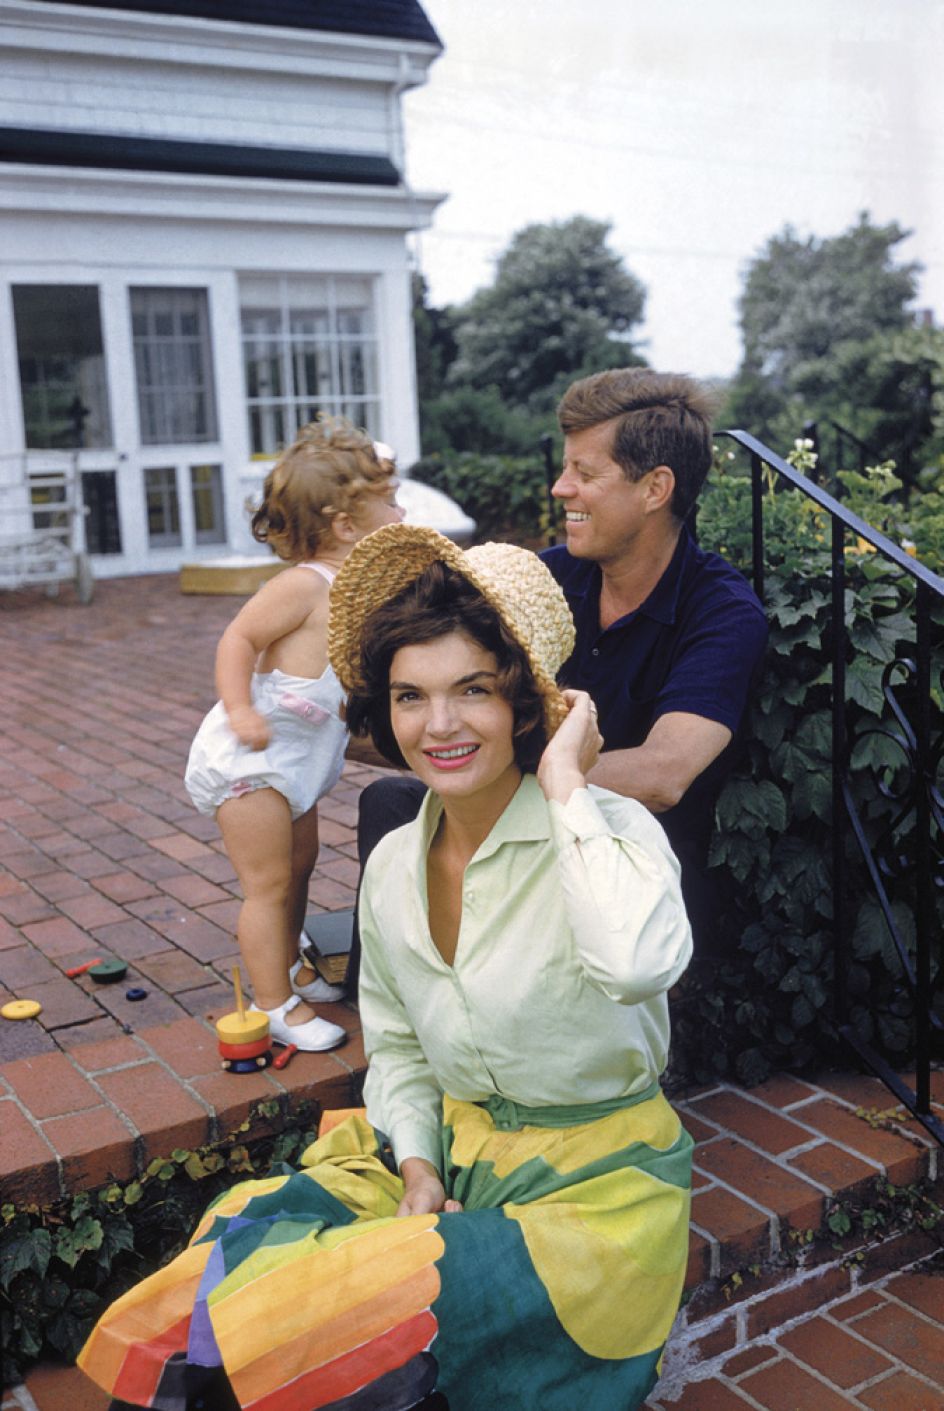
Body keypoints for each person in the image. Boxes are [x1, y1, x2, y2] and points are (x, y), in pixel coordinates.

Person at [79, 525, 694, 1411]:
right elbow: (400, 1047)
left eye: (472, 690)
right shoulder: (395, 866)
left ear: (525, 704)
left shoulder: (609, 834)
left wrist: (567, 786)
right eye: (411, 696)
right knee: (230, 1252)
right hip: (445, 1157)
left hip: (595, 1192)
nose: (437, 725)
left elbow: (639, 965)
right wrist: (416, 1164)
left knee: (353, 1316)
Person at [352, 368, 767, 973]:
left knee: (421, 804)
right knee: (392, 803)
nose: (559, 487)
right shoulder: (546, 577)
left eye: (584, 473)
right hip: (519, 817)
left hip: (629, 855)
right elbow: (432, 687)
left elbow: (662, 774)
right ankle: (401, 1017)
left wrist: (500, 771)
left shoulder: (722, 610)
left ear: (656, 489)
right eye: (565, 467)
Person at [183, 415, 403, 1051]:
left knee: (300, 867)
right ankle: (273, 1005)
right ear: (344, 525)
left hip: (298, 766)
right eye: (389, 501)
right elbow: (239, 638)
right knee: (267, 884)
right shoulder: (303, 585)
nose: (401, 508)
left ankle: (287, 966)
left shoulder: (356, 587)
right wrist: (239, 707)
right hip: (255, 761)